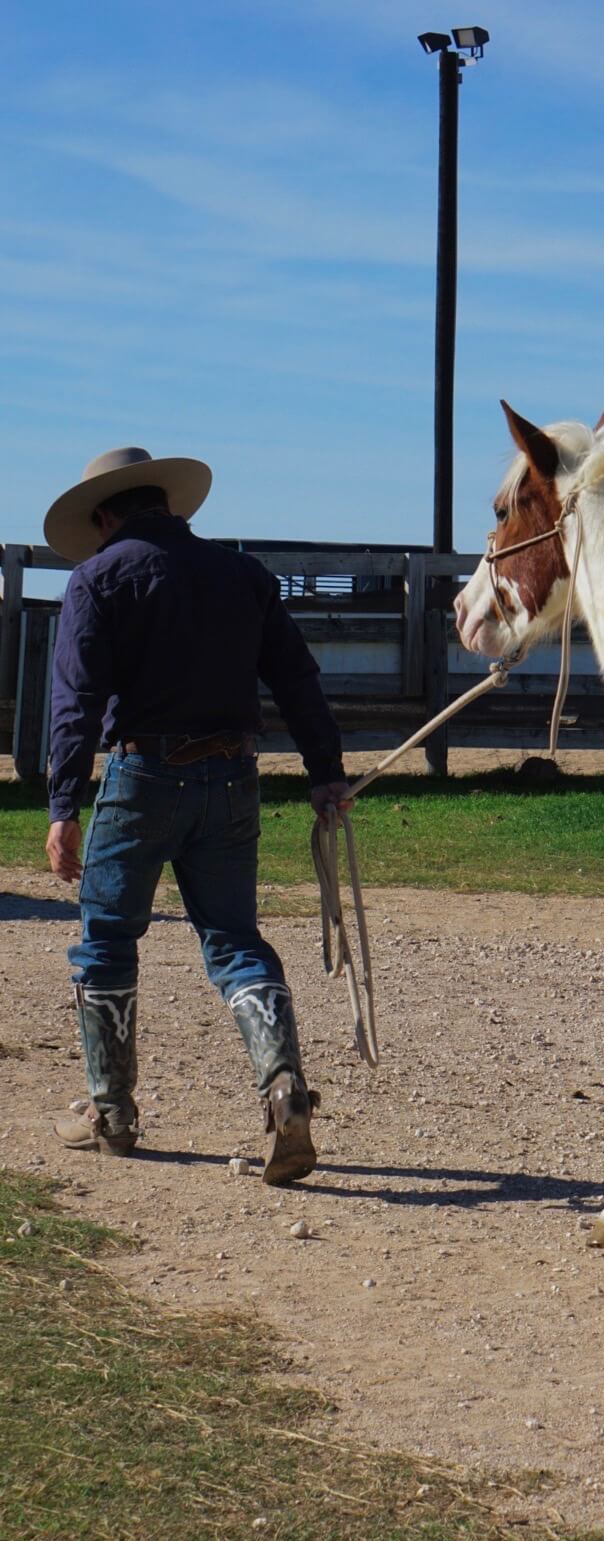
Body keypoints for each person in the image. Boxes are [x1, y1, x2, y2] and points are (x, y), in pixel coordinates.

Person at [43, 444, 353, 1183]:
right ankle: (283, 1088)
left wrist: (63, 805)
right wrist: (325, 774)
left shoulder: (96, 580)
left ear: (107, 515)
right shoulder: (242, 576)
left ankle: (111, 1113)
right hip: (232, 779)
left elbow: (76, 701)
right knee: (235, 939)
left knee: (108, 938)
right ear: (169, 505)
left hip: (143, 777)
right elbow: (297, 678)